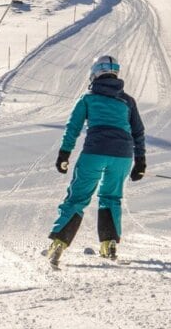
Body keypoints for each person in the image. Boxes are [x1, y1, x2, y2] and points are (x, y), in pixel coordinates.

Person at [45, 56, 147, 266]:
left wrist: (64, 154)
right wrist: (141, 161)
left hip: (95, 152)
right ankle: (108, 244)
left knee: (78, 198)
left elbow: (73, 127)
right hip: (122, 155)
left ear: (95, 73)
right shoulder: (127, 100)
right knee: (111, 197)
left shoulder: (88, 98)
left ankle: (59, 244)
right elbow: (138, 131)